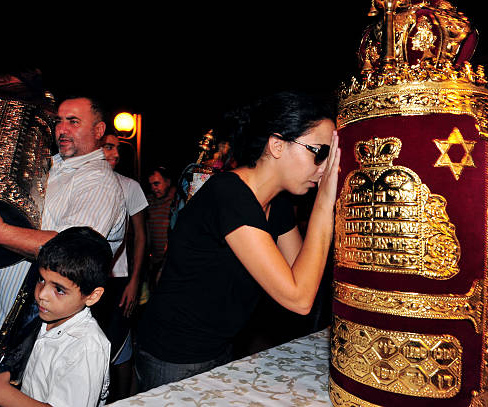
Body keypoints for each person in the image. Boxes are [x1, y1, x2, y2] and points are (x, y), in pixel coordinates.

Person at [134, 91, 340, 391]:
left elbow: (302, 272)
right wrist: (324, 202)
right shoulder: (228, 194)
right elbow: (299, 298)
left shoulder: (277, 203)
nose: (323, 168)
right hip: (175, 354)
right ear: (277, 145)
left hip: (221, 346)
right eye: (319, 153)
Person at [0, 96, 127, 362]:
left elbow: (70, 252)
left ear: (99, 130)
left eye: (73, 121)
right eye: (59, 121)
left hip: (36, 326)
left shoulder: (99, 183)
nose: (62, 129)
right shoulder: (48, 164)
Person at [0, 226, 112, 407]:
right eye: (41, 279)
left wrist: (5, 396)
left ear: (92, 296)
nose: (42, 294)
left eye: (59, 289)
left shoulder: (86, 347)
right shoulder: (50, 317)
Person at [99, 132, 148, 400]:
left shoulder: (129, 186)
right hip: (84, 280)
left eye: (118, 148)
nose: (115, 154)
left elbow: (141, 235)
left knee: (119, 345)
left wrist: (133, 282)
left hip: (118, 280)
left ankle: (123, 400)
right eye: (108, 147)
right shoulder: (80, 182)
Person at [145, 167, 176, 285]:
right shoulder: (150, 202)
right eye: (151, 185)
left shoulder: (177, 201)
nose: (154, 188)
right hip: (154, 262)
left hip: (171, 262)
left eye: (157, 184)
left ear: (168, 182)